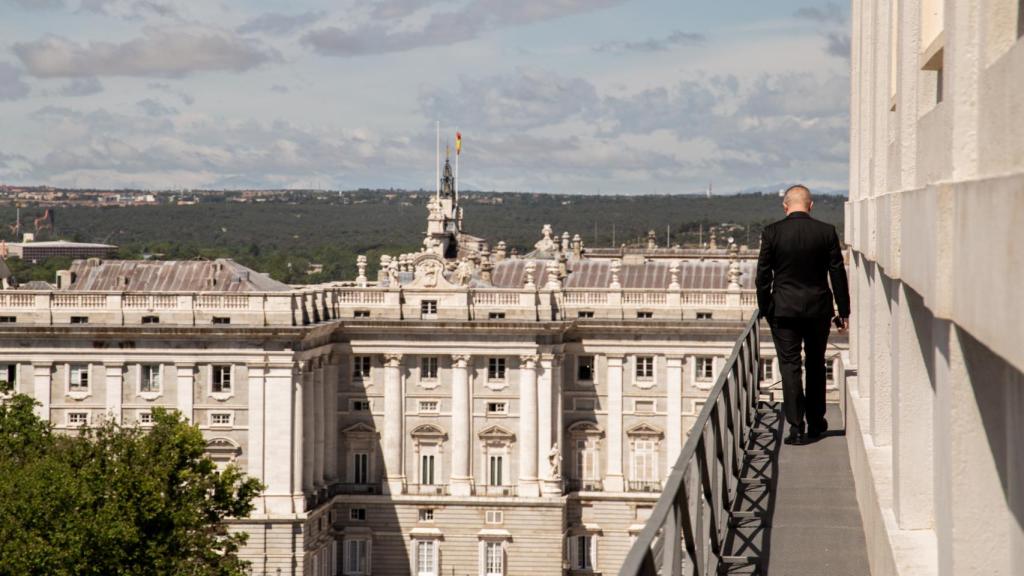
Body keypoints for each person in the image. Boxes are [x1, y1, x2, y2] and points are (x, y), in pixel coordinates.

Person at [756, 185, 850, 445]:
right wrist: (843, 311)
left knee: (790, 366)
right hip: (818, 309)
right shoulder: (826, 232)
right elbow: (837, 274)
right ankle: (817, 423)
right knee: (816, 364)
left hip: (783, 310)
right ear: (810, 206)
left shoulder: (772, 232)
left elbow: (763, 276)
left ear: (785, 207)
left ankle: (796, 427)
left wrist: (766, 308)